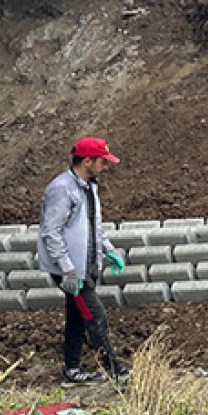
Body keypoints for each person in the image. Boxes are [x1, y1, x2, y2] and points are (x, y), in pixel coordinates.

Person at [37, 137, 129, 385]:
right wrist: (67, 270)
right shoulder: (62, 189)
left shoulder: (89, 186)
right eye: (102, 161)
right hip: (71, 271)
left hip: (86, 264)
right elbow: (51, 232)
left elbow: (92, 225)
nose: (106, 166)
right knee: (95, 316)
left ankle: (72, 369)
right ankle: (116, 371)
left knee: (78, 316)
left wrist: (108, 250)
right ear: (87, 161)